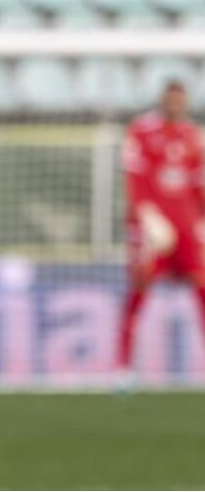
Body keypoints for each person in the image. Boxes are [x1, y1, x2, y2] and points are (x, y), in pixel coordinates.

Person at [117, 80, 205, 380]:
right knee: (139, 290)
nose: (176, 106)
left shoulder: (193, 136)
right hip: (153, 228)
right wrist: (145, 216)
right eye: (171, 100)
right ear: (162, 100)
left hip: (186, 228)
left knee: (202, 288)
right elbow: (134, 181)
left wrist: (201, 223)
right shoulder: (142, 131)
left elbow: (198, 186)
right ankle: (124, 368)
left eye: (181, 101)